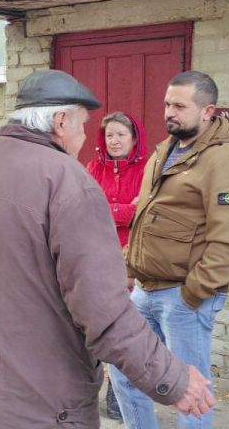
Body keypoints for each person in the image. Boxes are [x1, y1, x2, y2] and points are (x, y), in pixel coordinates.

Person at [0, 69, 214, 427]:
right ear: (60, 121)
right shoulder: (66, 179)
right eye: (83, 126)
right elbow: (103, 311)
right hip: (41, 404)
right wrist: (174, 379)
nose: (85, 137)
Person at [117, 70, 229, 428]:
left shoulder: (225, 158)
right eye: (167, 104)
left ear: (208, 111)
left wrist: (194, 294)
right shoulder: (166, 150)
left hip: (183, 297)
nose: (169, 112)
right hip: (144, 291)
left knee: (190, 392)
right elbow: (145, 215)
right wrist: (129, 270)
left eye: (180, 105)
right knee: (125, 373)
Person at [85, 111, 150, 420]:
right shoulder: (92, 168)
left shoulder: (147, 171)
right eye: (109, 134)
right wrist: (125, 210)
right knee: (94, 326)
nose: (114, 140)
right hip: (97, 258)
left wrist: (109, 210)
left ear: (134, 138)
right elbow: (86, 211)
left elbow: (145, 213)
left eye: (121, 134)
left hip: (131, 261)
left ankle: (119, 394)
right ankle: (87, 389)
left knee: (124, 330)